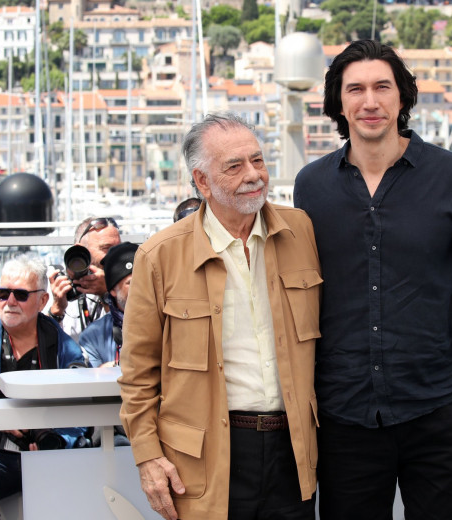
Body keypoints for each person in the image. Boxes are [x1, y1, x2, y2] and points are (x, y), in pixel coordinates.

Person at [294, 40, 452, 520]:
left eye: (382, 87)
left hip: (441, 410)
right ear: (338, 102)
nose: (370, 101)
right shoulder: (312, 185)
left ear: (402, 97)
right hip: (345, 417)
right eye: (356, 89)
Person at [118, 112, 322, 520]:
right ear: (203, 181)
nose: (254, 175)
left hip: (294, 449)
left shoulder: (301, 231)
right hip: (204, 457)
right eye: (235, 166)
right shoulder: (160, 256)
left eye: (258, 160)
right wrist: (147, 457)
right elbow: (138, 372)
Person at [0, 254, 88, 503]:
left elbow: (80, 412)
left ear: (43, 300)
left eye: (21, 295)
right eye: (3, 294)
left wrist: (56, 440)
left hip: (47, 455)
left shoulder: (64, 348)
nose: (10, 301)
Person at [48, 216, 121, 342]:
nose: (114, 255)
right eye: (106, 248)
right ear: (80, 250)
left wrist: (107, 294)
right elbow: (40, 342)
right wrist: (57, 309)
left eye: (118, 248)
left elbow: (126, 337)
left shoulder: (127, 285)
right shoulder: (54, 285)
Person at [79, 241, 138, 368]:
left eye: (144, 280)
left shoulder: (168, 322)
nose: (139, 287)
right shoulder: (93, 336)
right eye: (130, 283)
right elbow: (91, 384)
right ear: (113, 290)